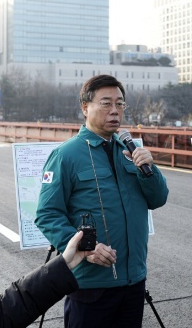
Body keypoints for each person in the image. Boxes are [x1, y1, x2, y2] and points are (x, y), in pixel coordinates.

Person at [35, 74, 169, 328]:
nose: (115, 111)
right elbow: (48, 214)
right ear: (85, 108)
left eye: (120, 104)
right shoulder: (66, 155)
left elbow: (158, 199)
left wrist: (149, 169)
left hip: (133, 280)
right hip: (91, 283)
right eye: (106, 103)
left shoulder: (130, 152)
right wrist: (85, 248)